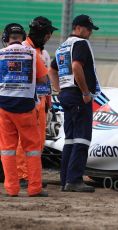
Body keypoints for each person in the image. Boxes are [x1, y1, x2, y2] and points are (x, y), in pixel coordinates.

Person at [49, 14, 100, 192]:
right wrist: (85, 92)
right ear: (78, 27)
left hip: (67, 95)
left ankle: (66, 180)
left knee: (70, 139)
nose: (90, 33)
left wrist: (59, 90)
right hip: (79, 95)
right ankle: (74, 180)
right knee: (82, 138)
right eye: (88, 29)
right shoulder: (81, 44)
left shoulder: (63, 46)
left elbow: (52, 69)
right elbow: (77, 67)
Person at [0, 23, 48, 197]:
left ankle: (11, 189)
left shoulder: (0, 54)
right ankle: (34, 188)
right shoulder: (32, 53)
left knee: (7, 149)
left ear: (5, 38)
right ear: (23, 37)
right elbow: (43, 79)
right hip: (26, 108)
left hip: (4, 107)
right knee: (32, 149)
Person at [16, 16, 57, 188]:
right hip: (27, 103)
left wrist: (48, 100)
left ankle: (33, 175)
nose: (49, 36)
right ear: (41, 32)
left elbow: (45, 79)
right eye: (48, 33)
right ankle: (22, 175)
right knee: (23, 140)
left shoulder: (43, 53)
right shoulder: (23, 49)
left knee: (38, 142)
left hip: (41, 104)